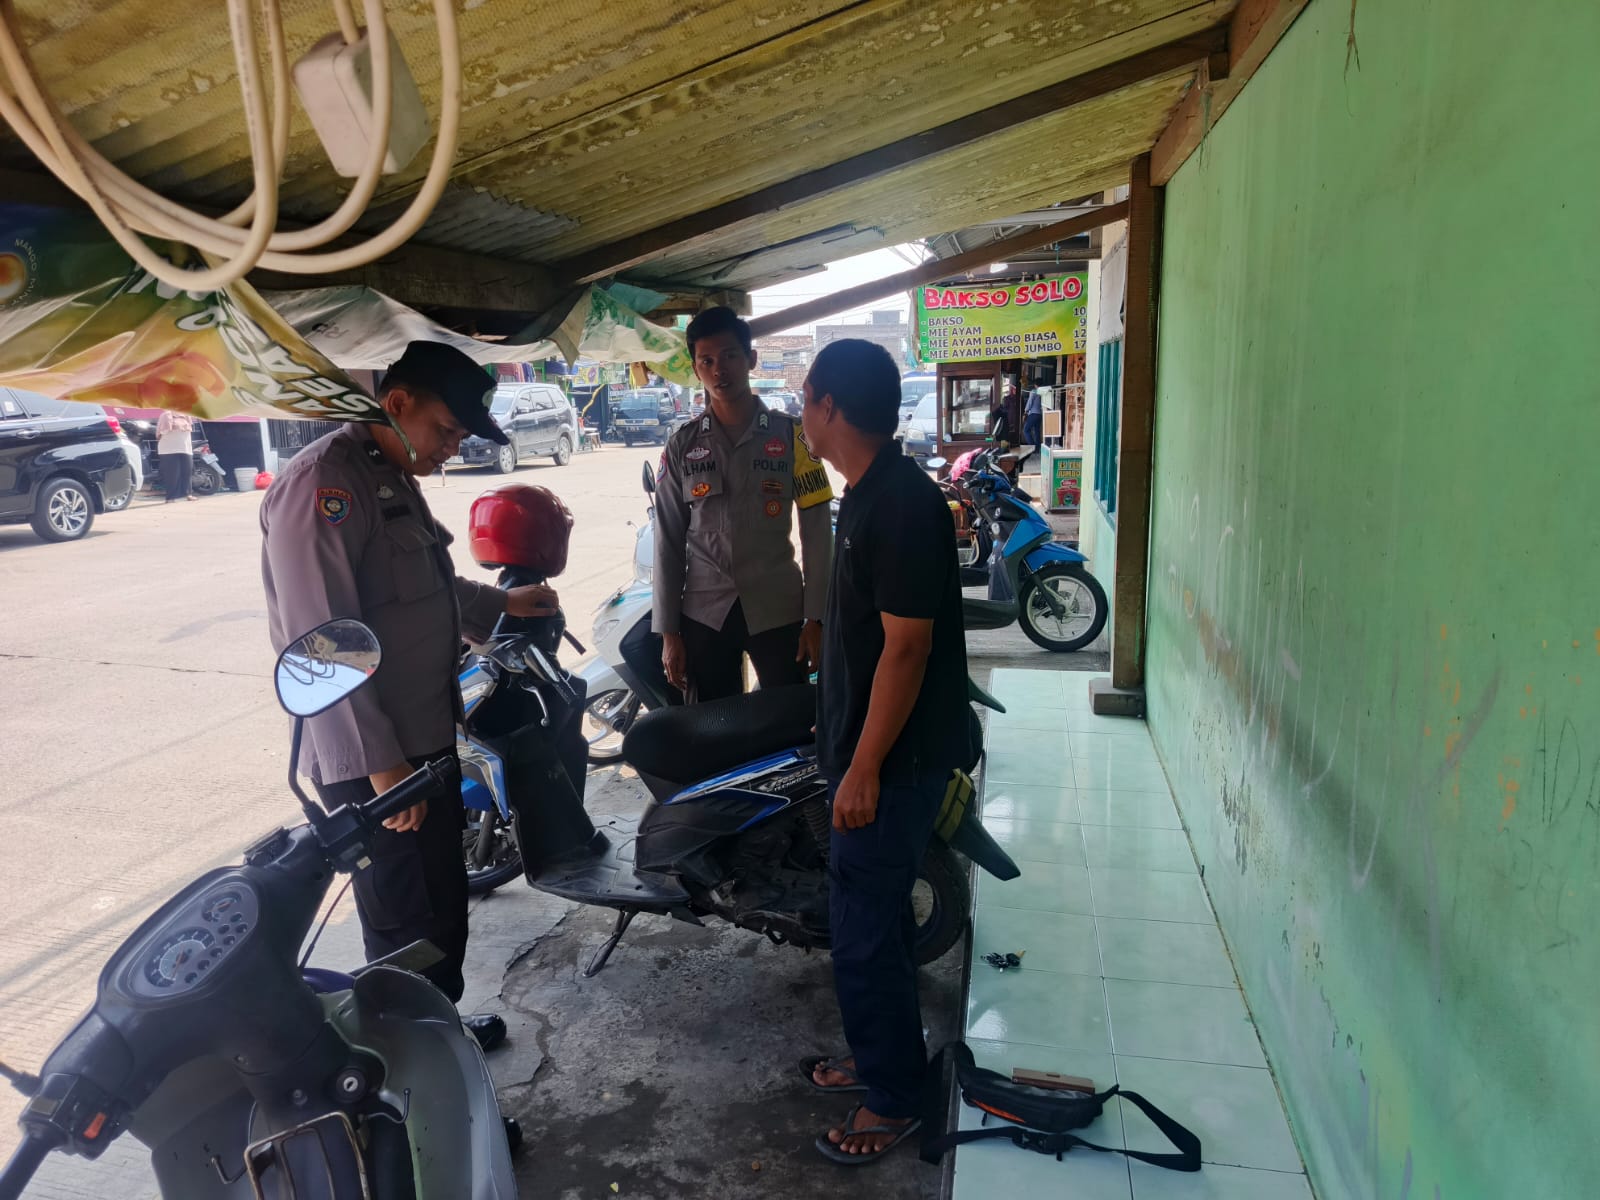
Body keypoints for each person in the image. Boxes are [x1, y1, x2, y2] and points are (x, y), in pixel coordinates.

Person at [259, 340, 557, 1048]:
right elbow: (320, 644)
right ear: (395, 403)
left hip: (421, 740)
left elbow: (424, 587)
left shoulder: (386, 471)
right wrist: (382, 767)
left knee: (441, 901)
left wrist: (502, 603)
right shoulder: (325, 486)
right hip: (377, 758)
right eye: (446, 430)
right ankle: (407, 1057)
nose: (453, 447)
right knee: (405, 917)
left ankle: (437, 1026)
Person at [797, 339, 977, 1164]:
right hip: (874, 754)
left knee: (866, 930)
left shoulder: (900, 504)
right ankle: (882, 1060)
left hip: (895, 765)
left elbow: (906, 649)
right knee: (874, 922)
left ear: (831, 406)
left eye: (806, 399)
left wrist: (864, 767)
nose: (800, 416)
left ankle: (895, 1098)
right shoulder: (870, 494)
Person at [653, 306, 834, 703]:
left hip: (779, 609)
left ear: (751, 359)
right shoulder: (682, 445)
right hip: (704, 613)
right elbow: (667, 539)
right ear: (696, 369)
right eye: (707, 361)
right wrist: (668, 632)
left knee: (787, 721)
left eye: (730, 356)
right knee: (711, 726)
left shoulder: (794, 438)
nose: (720, 370)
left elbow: (819, 534)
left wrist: (817, 618)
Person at [156, 409, 196, 502]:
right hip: (168, 449)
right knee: (171, 474)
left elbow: (189, 429)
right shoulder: (166, 415)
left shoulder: (186, 415)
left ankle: (188, 494)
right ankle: (170, 497)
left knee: (187, 471)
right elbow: (161, 432)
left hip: (185, 448)